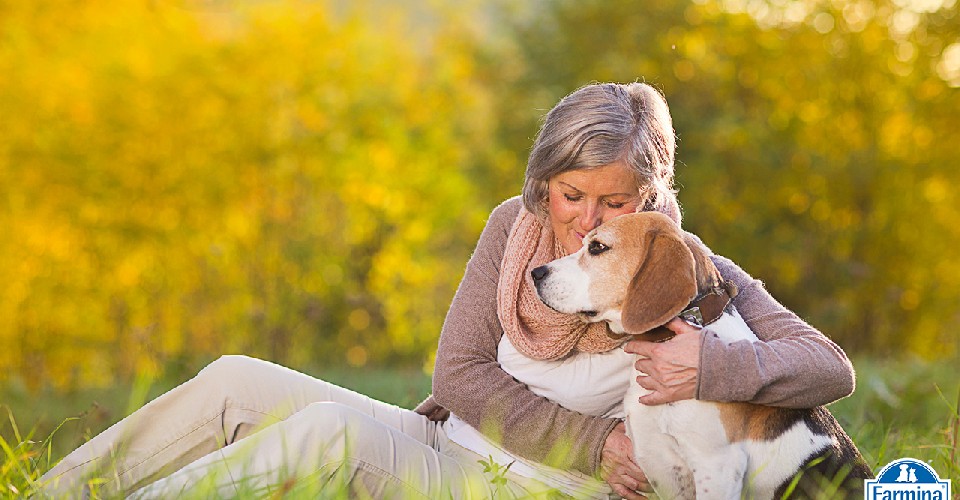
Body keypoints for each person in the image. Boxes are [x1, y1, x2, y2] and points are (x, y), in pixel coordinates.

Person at [39, 82, 855, 499]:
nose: (584, 221)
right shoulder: (514, 227)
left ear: (650, 194)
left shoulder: (686, 271)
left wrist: (709, 370)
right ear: (544, 183)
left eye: (612, 202)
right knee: (234, 380)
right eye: (571, 196)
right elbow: (457, 375)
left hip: (520, 484)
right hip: (446, 435)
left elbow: (827, 369)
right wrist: (590, 436)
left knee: (326, 432)